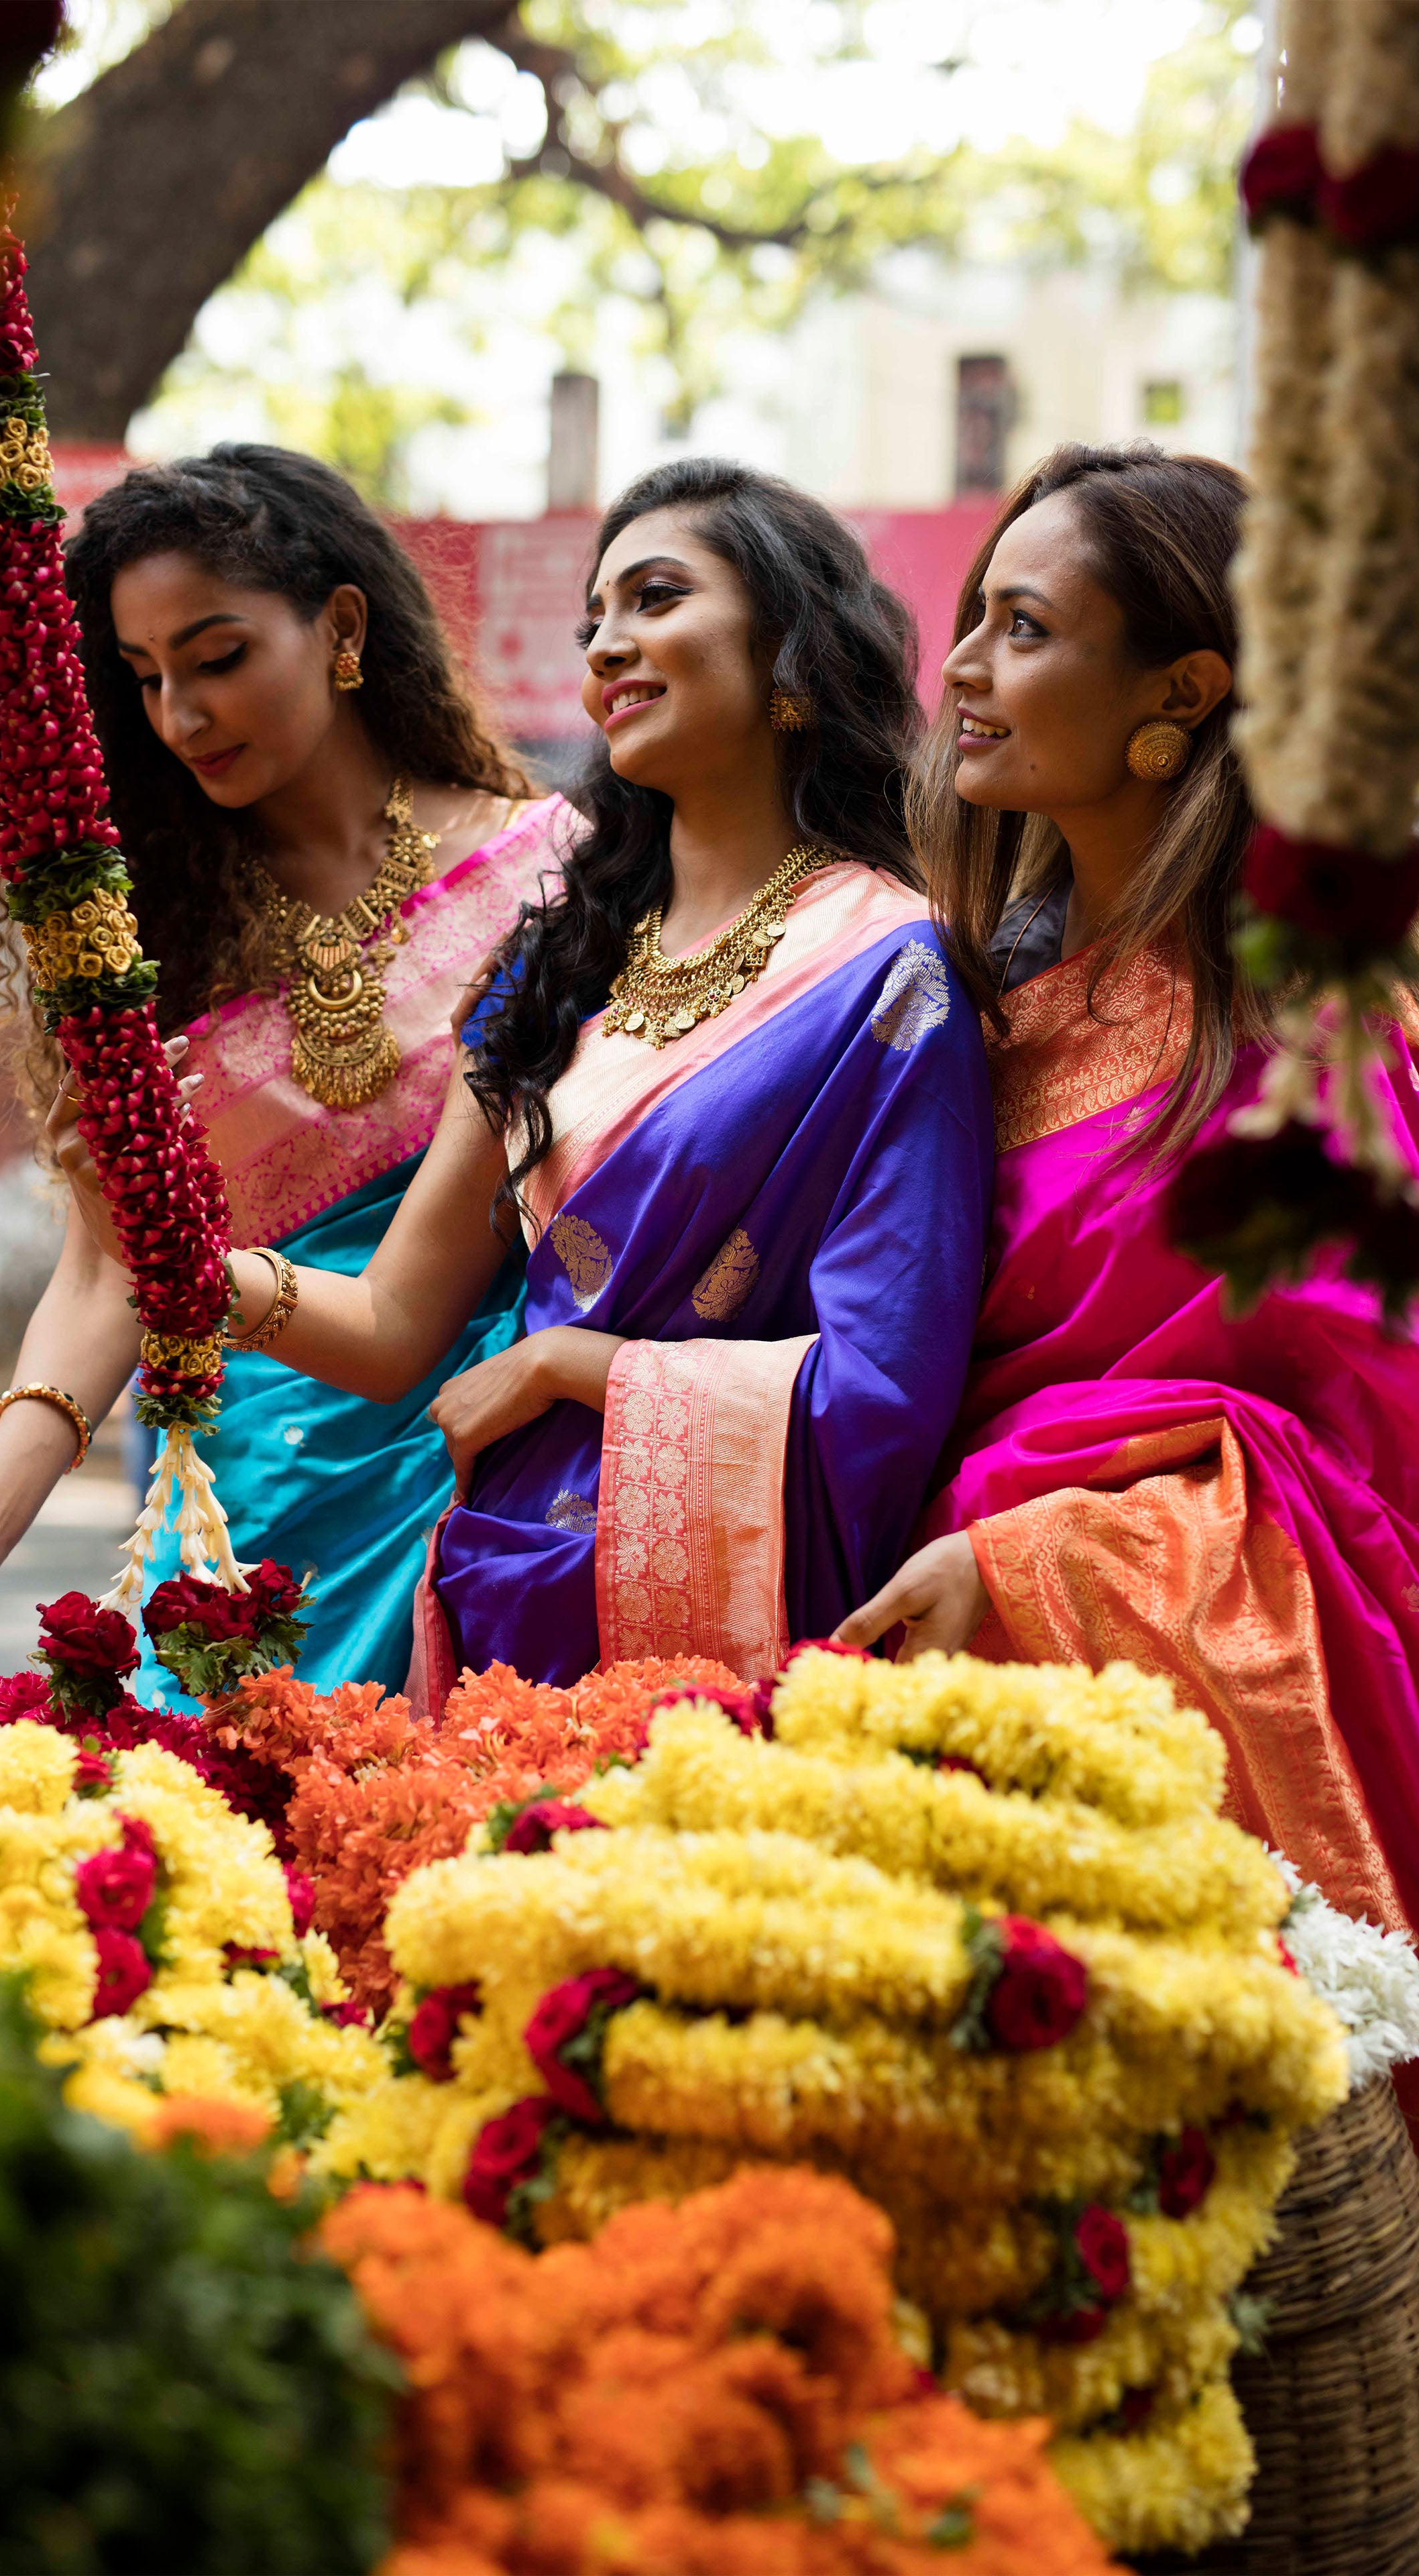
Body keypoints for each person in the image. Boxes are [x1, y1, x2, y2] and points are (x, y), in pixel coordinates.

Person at [834, 441, 1419, 2449]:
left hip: (1155, 1713)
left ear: (1182, 696)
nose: (961, 666)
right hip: (934, 1675)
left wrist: (1052, 1560)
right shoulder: (973, 1005)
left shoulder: (1312, 1029)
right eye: (970, 614)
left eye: (1024, 629)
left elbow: (1408, 1454)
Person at [56, 456, 995, 1706]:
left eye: (657, 599)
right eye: (593, 620)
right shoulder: (560, 958)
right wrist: (168, 1225)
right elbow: (393, 1330)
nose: (609, 645)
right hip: (504, 1595)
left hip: (719, 1615)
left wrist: (571, 1368)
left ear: (791, 653)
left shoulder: (889, 971)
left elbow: (883, 1389)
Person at [0, 445, 563, 1699]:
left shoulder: (551, 877)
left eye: (218, 659)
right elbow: (108, 1270)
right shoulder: (138, 946)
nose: (181, 716)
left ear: (340, 626)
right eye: (146, 676)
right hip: (246, 1532)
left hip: (504, 1494)